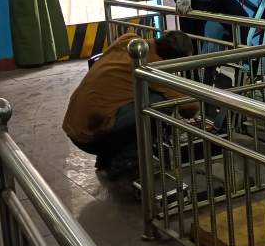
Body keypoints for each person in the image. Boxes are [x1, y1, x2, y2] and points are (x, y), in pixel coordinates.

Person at [63, 30, 198, 175]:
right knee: (160, 104)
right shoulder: (152, 69)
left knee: (128, 100)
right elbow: (189, 107)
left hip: (74, 125)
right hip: (90, 138)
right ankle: (125, 160)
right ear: (172, 60)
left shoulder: (128, 40)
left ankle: (107, 158)